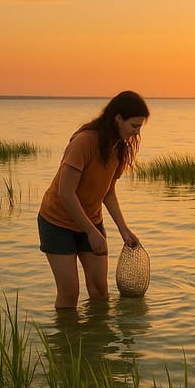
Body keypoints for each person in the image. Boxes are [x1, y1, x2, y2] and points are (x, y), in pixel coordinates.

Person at [38, 91, 149, 309]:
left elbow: (107, 192)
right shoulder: (85, 141)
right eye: (134, 126)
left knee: (100, 291)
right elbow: (65, 193)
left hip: (91, 220)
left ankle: (97, 342)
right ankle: (66, 341)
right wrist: (91, 232)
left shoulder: (119, 148)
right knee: (70, 294)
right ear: (118, 118)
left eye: (139, 127)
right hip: (57, 222)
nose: (136, 132)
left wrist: (123, 230)